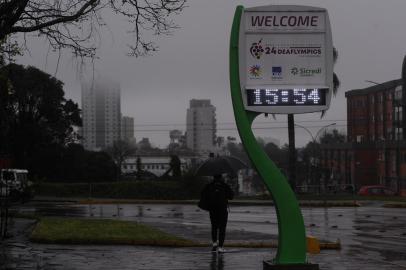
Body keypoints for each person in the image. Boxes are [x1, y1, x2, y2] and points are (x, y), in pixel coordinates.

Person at [201, 174, 234, 253]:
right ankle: (220, 247)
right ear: (221, 177)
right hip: (222, 209)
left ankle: (214, 243)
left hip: (212, 210)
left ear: (214, 177)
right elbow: (231, 196)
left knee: (214, 226)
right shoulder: (224, 185)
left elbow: (203, 195)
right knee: (222, 228)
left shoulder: (209, 186)